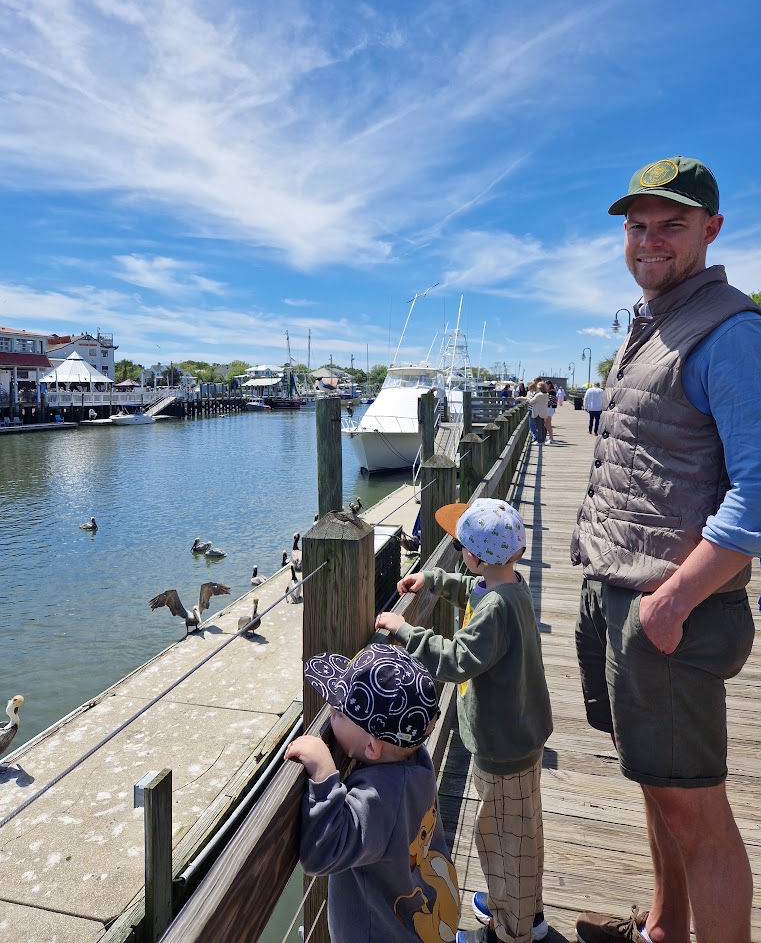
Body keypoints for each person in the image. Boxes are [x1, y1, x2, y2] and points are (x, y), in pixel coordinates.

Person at [572, 156, 761, 943]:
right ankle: (662, 928)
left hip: (667, 609)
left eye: (670, 224)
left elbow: (758, 489)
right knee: (655, 782)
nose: (648, 240)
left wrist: (672, 601)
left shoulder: (729, 330)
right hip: (616, 586)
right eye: (637, 225)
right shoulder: (652, 318)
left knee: (696, 809)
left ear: (710, 229)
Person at [376, 498, 553, 943]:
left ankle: (509, 931)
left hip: (502, 747)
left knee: (499, 841)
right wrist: (432, 579)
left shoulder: (494, 609)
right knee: (523, 833)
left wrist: (404, 630)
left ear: (473, 556)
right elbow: (470, 589)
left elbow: (455, 660)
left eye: (460, 548)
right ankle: (525, 912)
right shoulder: (507, 587)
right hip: (521, 738)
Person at [285, 642, 460, 943]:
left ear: (371, 747)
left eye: (339, 712)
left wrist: (326, 776)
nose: (329, 711)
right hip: (421, 917)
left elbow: (319, 856)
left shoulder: (379, 801)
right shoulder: (417, 761)